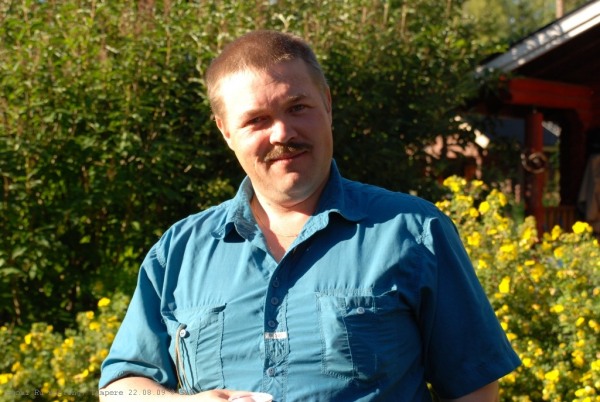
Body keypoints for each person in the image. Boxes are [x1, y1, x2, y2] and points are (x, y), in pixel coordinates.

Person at [99, 30, 521, 401]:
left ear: (328, 105)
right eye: (257, 120)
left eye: (297, 107)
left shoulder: (413, 231)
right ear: (226, 132)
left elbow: (473, 387)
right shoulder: (179, 250)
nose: (282, 133)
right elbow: (119, 387)